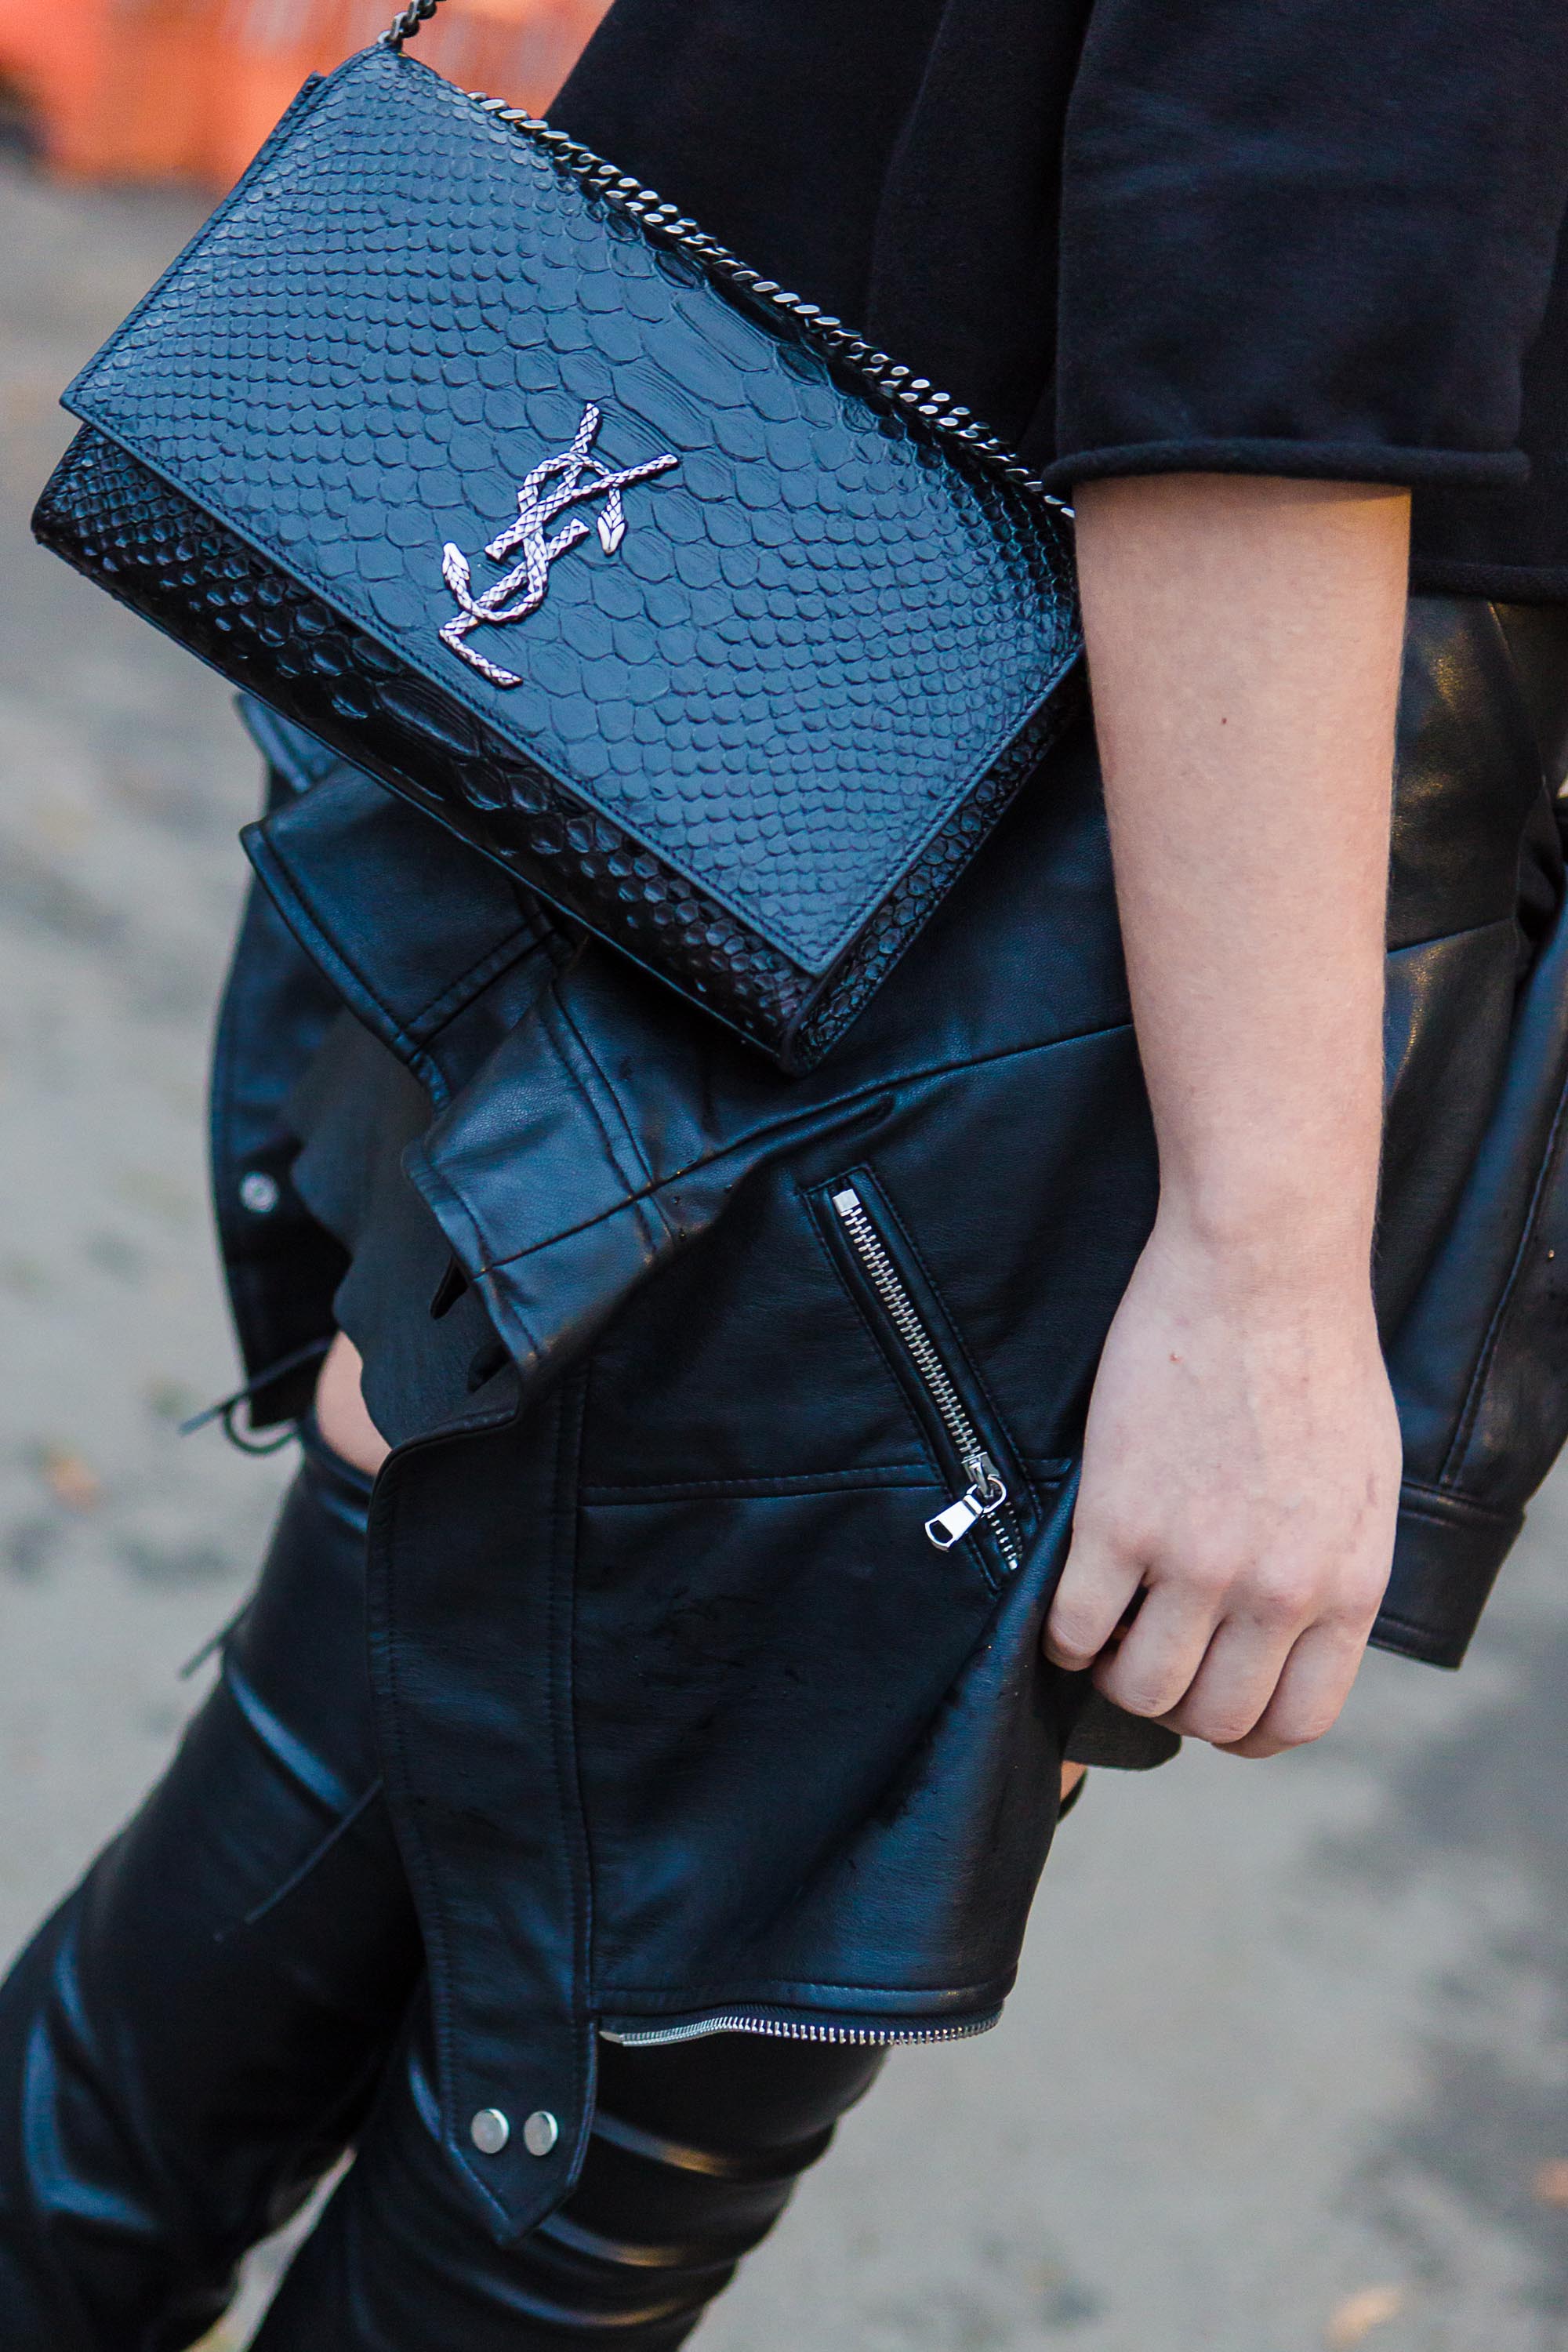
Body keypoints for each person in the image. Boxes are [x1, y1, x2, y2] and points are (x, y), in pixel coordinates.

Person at [5, 1, 1568, 2344]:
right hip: (1015, 934)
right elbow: (1271, 358)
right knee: (599, 2137)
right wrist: (1263, 1270)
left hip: (722, 715)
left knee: (324, 1884)